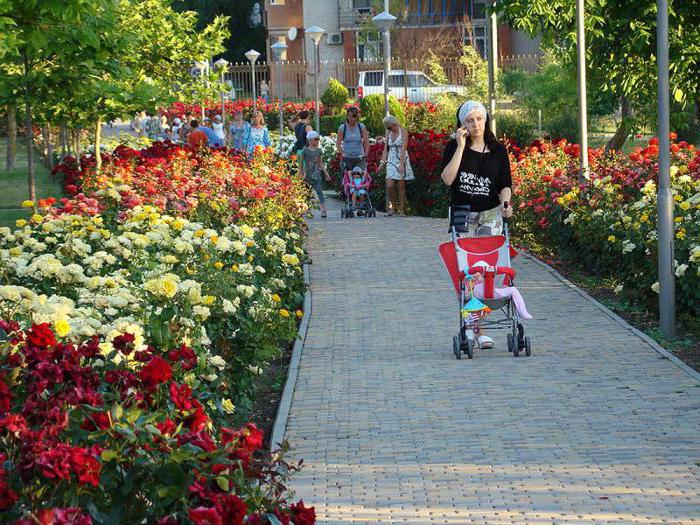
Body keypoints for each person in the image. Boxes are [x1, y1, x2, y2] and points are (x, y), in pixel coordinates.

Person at [440, 100, 513, 350]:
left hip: (491, 213)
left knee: (488, 271)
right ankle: (475, 329)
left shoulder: (497, 149)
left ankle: (479, 325)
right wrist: (460, 147)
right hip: (463, 213)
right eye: (469, 120)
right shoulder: (453, 146)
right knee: (468, 274)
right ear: (462, 124)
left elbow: (505, 183)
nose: (475, 124)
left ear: (486, 120)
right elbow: (448, 179)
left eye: (479, 119)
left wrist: (506, 204)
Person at [379, 114, 414, 216]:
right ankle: (393, 207)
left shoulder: (403, 132)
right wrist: (382, 163)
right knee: (389, 185)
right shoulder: (388, 132)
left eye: (389, 127)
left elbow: (403, 148)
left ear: (395, 124)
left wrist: (402, 164)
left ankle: (401, 210)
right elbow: (385, 149)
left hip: (401, 158)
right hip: (391, 159)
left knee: (400, 186)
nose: (389, 129)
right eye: (387, 127)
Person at [302, 131, 331, 218]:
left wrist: (326, 173)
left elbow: (320, 164)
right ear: (310, 140)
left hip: (317, 175)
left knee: (320, 192)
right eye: (316, 139)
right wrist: (301, 173)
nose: (318, 141)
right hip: (307, 176)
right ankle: (308, 211)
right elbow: (301, 163)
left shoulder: (319, 151)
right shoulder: (305, 151)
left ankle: (323, 210)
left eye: (318, 139)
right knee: (307, 194)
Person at [336, 106, 369, 174]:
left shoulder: (361, 127)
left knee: (359, 179)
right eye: (350, 116)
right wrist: (342, 153)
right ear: (347, 116)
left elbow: (366, 141)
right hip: (347, 158)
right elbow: (338, 143)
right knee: (347, 180)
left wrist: (366, 153)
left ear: (357, 117)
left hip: (359, 158)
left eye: (354, 117)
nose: (352, 119)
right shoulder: (343, 128)